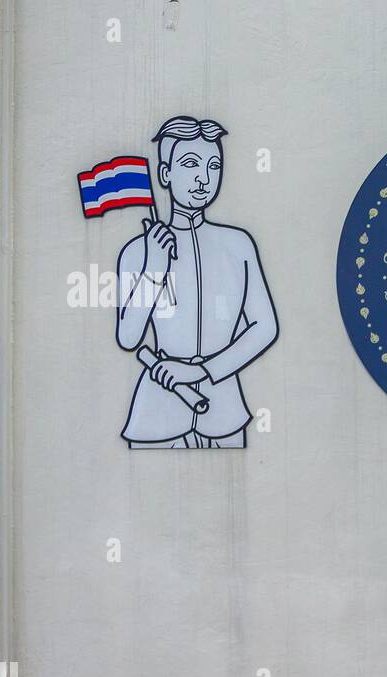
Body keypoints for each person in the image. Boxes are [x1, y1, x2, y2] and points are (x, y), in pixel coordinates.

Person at [116, 115, 279, 448]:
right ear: (166, 173)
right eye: (190, 164)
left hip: (225, 410)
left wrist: (204, 370)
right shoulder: (139, 250)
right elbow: (128, 336)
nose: (203, 179)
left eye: (214, 166)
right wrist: (154, 268)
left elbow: (265, 327)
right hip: (157, 409)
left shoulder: (237, 244)